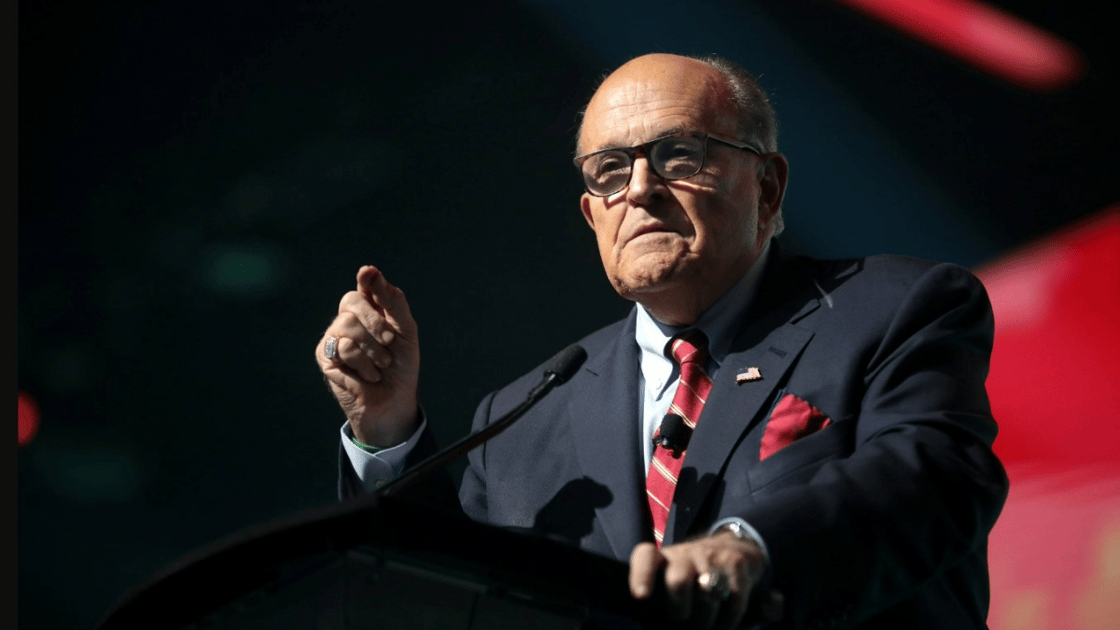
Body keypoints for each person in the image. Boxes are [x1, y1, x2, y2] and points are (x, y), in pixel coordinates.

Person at [315, 53, 1007, 629]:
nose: (640, 190)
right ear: (591, 215)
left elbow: (936, 479)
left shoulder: (890, 308)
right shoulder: (520, 419)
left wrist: (751, 547)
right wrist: (386, 431)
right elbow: (448, 599)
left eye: (679, 154)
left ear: (767, 187)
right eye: (609, 172)